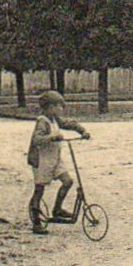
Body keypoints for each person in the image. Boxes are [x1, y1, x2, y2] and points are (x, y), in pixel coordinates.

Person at [26, 90, 89, 234]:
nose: (62, 109)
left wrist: (82, 131)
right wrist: (52, 136)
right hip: (41, 159)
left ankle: (57, 209)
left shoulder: (55, 119)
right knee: (39, 189)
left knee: (68, 181)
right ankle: (36, 222)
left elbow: (68, 124)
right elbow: (37, 139)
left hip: (55, 157)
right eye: (60, 106)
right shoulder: (42, 121)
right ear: (50, 107)